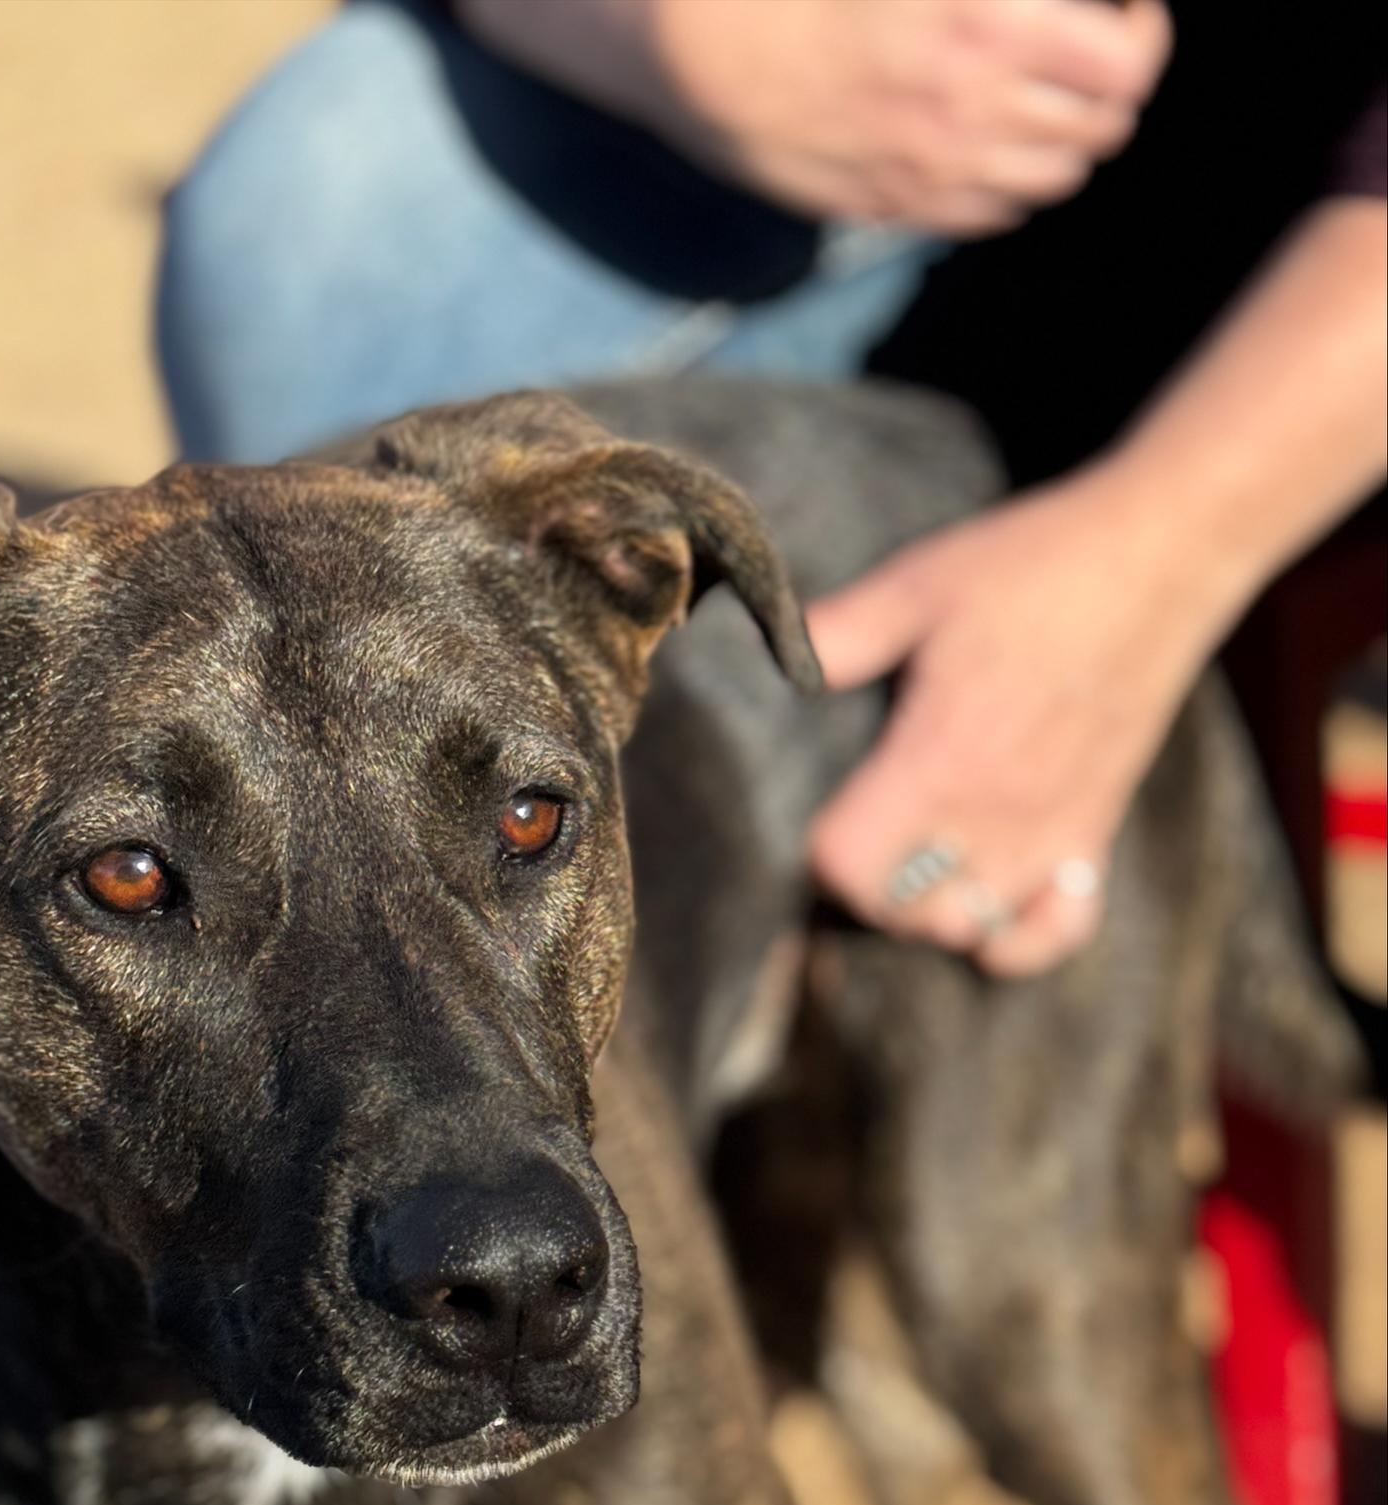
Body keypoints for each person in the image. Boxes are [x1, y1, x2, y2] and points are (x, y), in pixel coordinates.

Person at [158, 0, 1387, 973]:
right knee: (318, 225)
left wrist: (1157, 550)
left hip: (1312, 222)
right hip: (893, 152)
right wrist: (689, 33)